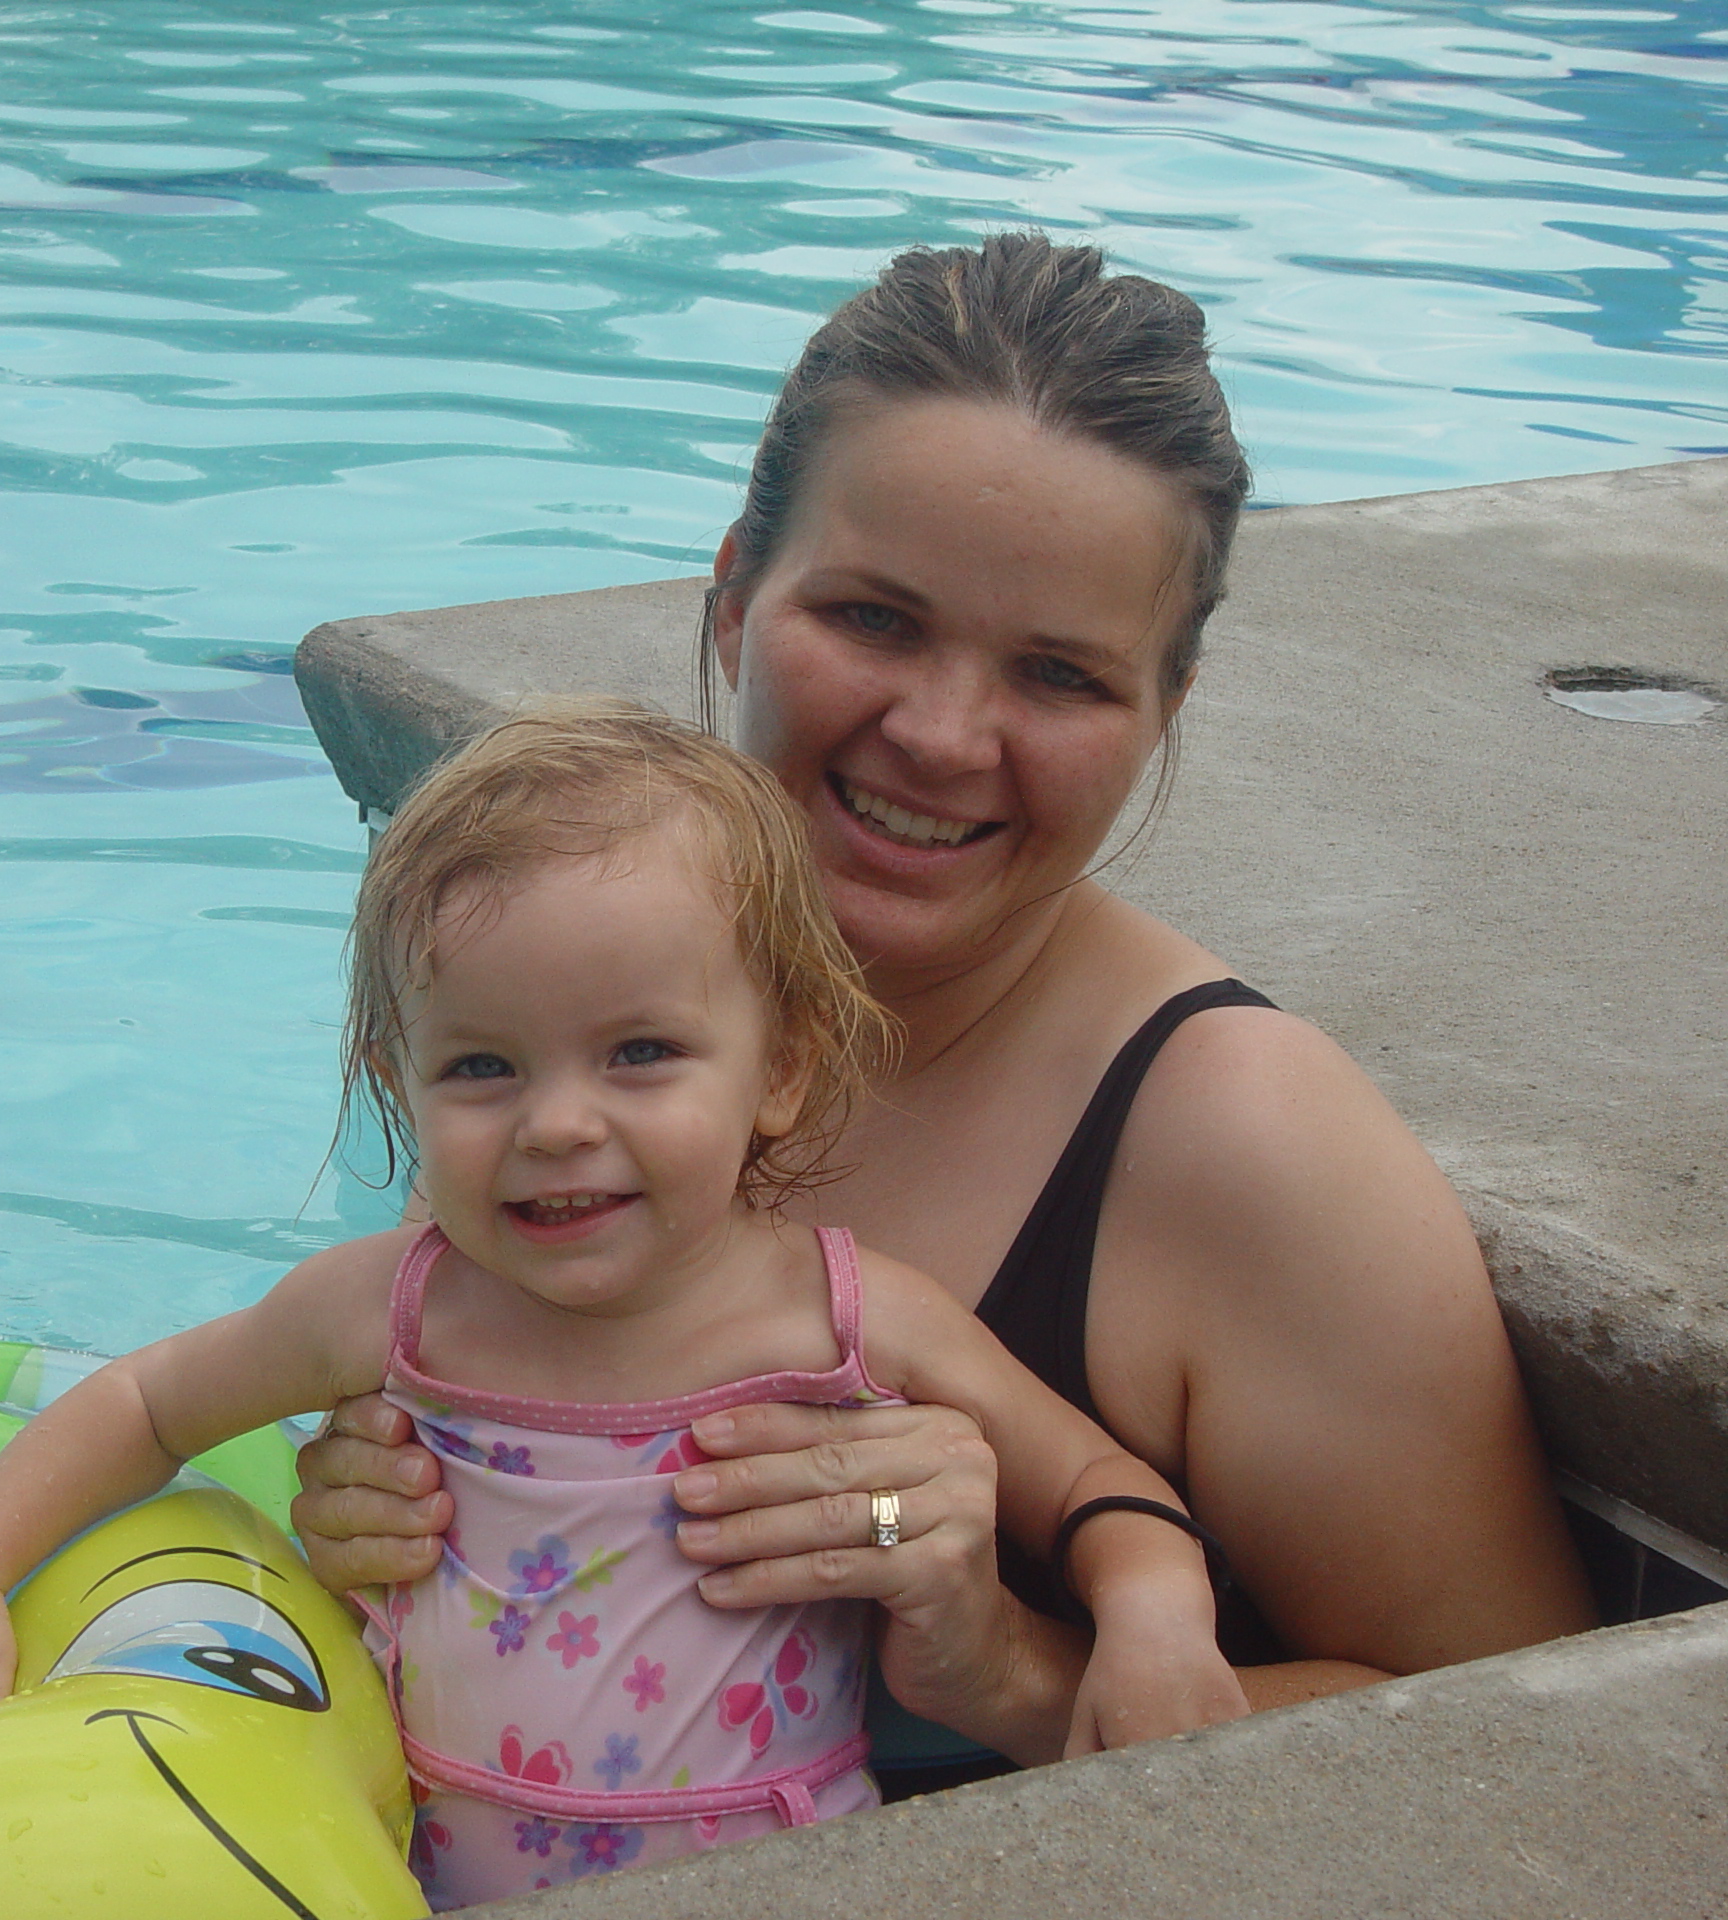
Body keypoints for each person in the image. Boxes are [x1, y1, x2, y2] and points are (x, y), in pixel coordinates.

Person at [289, 234, 1595, 1792]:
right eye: (876, 620)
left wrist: (1007, 1667)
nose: (943, 736)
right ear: (730, 598)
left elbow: (1534, 1752)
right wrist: (386, 1522)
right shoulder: (548, 1010)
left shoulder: (1239, 1146)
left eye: (1058, 675)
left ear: (1158, 713)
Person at [0, 706, 1247, 1908]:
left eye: (641, 1053)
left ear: (781, 1066)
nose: (556, 1124)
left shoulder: (844, 1319)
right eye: (482, 1066)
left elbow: (1087, 1482)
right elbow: (146, 1401)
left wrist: (1158, 1610)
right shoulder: (394, 1314)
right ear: (399, 1075)